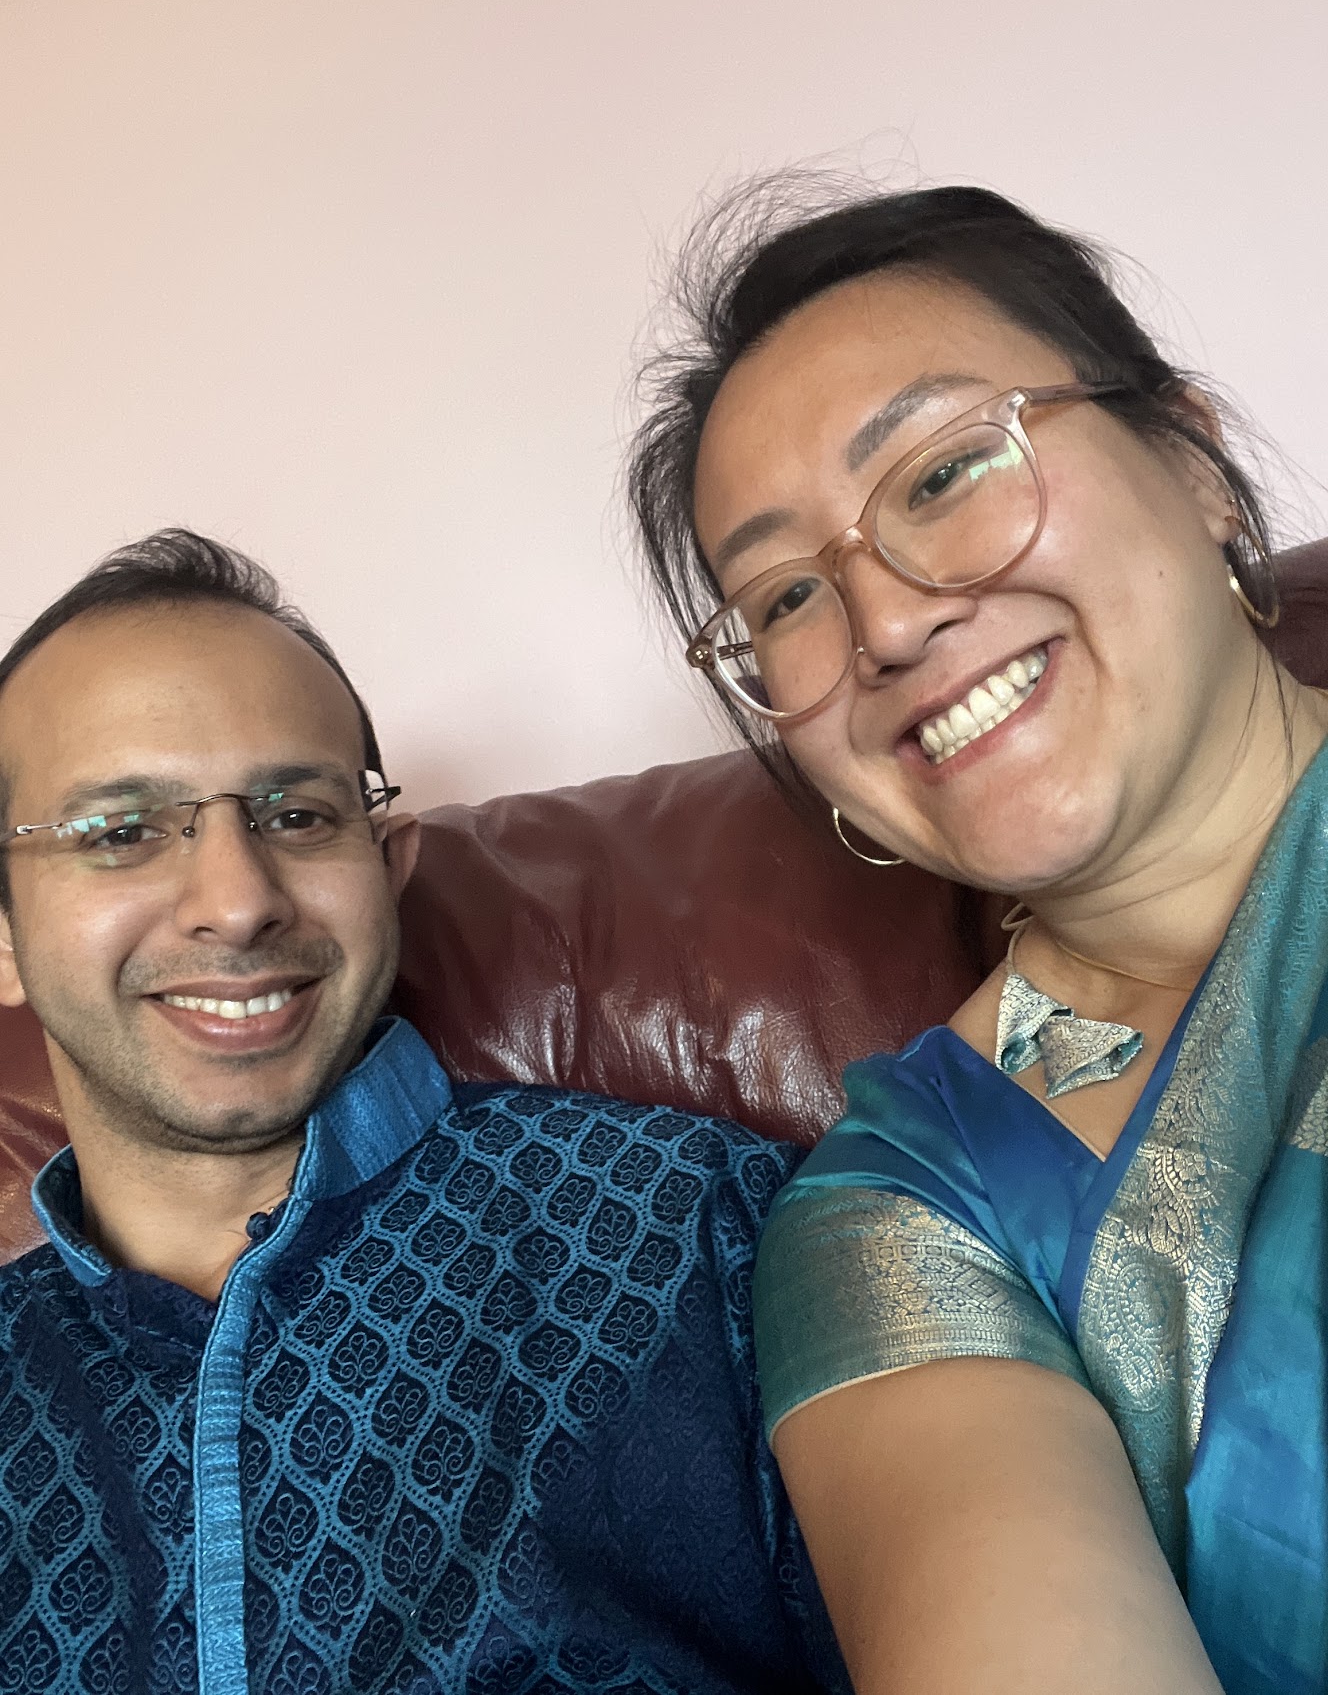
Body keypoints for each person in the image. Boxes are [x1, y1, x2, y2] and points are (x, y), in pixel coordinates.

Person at [628, 182, 1328, 1695]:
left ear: (1193, 459)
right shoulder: (900, 1213)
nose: (883, 624)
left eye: (945, 470)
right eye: (787, 594)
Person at [0, 530, 846, 1695]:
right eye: (120, 832)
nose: (237, 902)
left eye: (298, 815)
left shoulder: (702, 1225)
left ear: (391, 866)